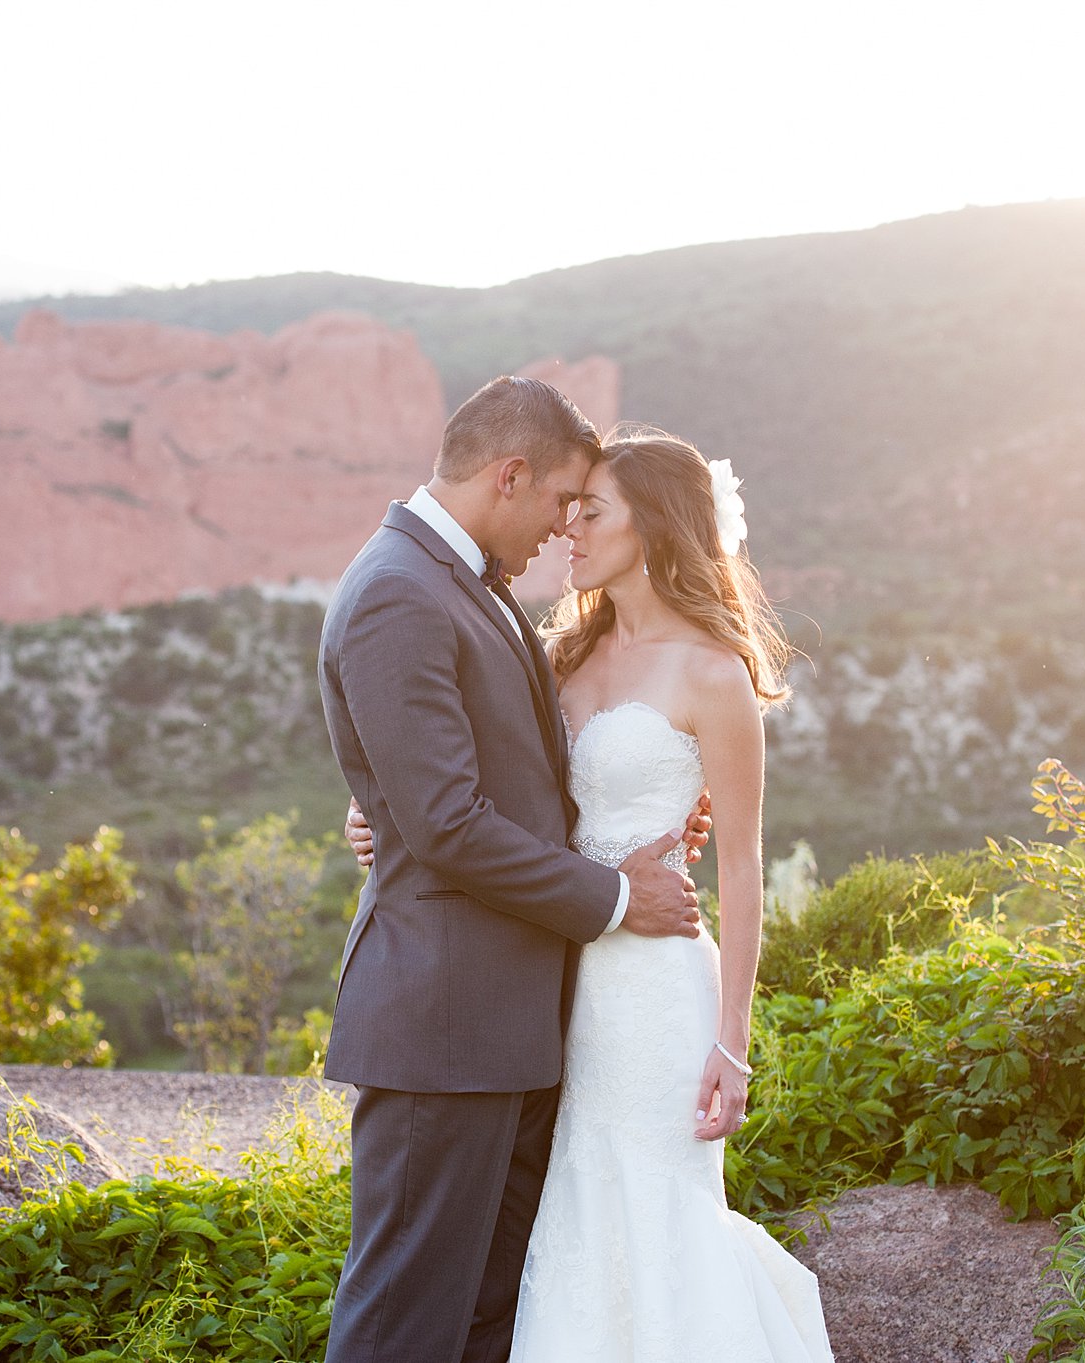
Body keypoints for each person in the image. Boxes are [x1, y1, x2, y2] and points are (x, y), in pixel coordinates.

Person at [344, 428, 836, 1361]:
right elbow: (466, 782)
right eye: (568, 508)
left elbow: (741, 864)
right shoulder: (556, 652)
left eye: (592, 509)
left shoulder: (712, 673)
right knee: (568, 1221)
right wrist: (381, 819)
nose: (570, 527)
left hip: (656, 992)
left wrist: (733, 1043)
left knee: (654, 1217)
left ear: (650, 526)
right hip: (555, 986)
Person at [317, 377, 709, 1363]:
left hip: (512, 1024)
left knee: (491, 1314)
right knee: (404, 1321)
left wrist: (648, 819)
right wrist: (620, 896)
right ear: (509, 474)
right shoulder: (397, 593)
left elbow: (488, 777)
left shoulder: (460, 584)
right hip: (440, 1026)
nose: (562, 528)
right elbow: (446, 821)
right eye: (560, 501)